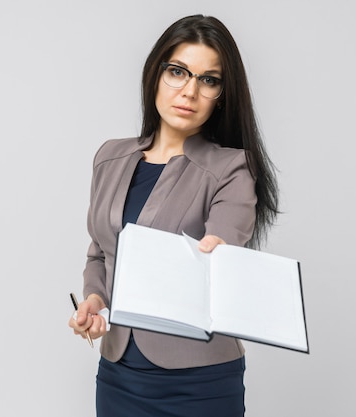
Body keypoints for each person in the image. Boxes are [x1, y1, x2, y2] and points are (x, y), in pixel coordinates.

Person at [68, 14, 279, 417]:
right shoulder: (110, 157)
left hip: (198, 382)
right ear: (155, 74)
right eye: (178, 72)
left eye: (209, 80)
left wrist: (215, 253)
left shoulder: (233, 168)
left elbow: (223, 246)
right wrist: (94, 301)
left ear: (222, 94)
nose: (190, 91)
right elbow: (100, 251)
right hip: (117, 373)